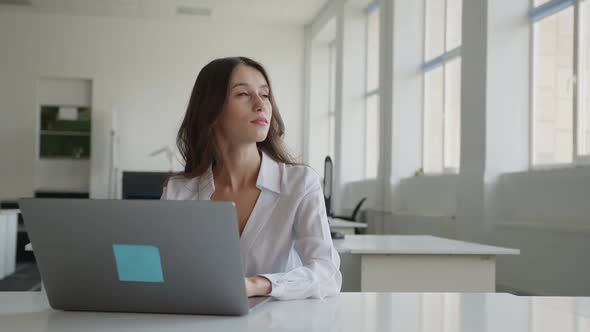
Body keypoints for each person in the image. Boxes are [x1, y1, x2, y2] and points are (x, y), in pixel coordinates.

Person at [161, 57, 342, 300]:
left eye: (265, 95)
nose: (261, 105)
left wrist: (260, 284)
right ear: (211, 109)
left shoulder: (300, 183)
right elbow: (162, 271)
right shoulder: (178, 191)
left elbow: (327, 274)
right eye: (243, 94)